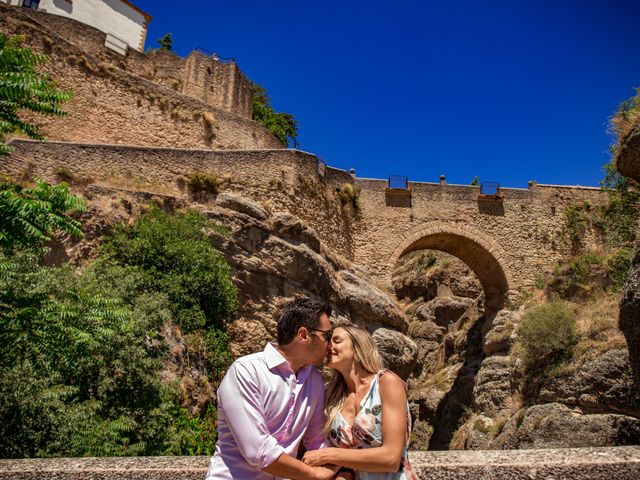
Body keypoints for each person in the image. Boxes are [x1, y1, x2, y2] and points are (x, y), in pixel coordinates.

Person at [205, 297, 337, 480]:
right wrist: (314, 474)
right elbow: (258, 451)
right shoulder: (246, 370)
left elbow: (316, 440)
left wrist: (340, 467)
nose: (329, 345)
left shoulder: (314, 380)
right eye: (327, 336)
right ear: (304, 334)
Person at [301, 322, 418, 480]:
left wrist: (327, 455)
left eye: (337, 340)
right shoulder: (332, 396)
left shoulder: (386, 383)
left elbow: (391, 458)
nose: (329, 346)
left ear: (357, 348)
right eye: (329, 341)